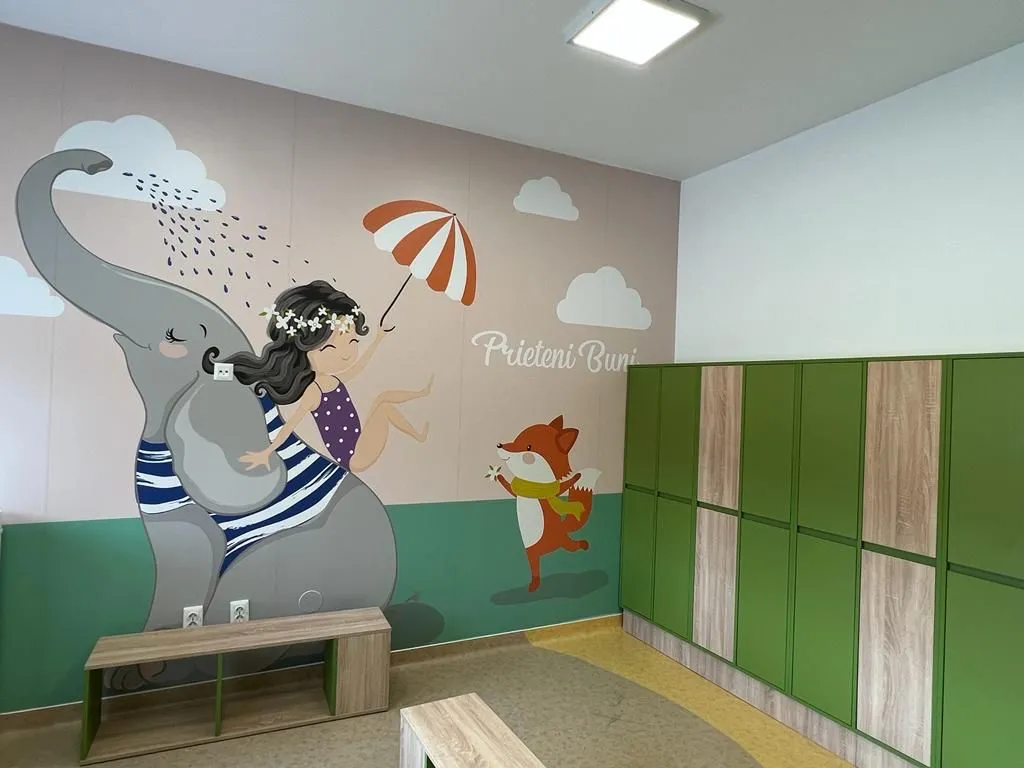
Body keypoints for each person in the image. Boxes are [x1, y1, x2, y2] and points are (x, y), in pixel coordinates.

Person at [225, 280, 431, 472]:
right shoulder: (314, 392)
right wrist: (267, 452)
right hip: (354, 457)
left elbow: (360, 366)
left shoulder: (332, 380)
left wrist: (379, 337)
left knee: (383, 400)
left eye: (352, 342)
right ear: (305, 350)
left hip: (359, 444)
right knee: (384, 405)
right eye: (330, 348)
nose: (346, 353)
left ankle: (421, 399)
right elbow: (290, 426)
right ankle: (419, 424)